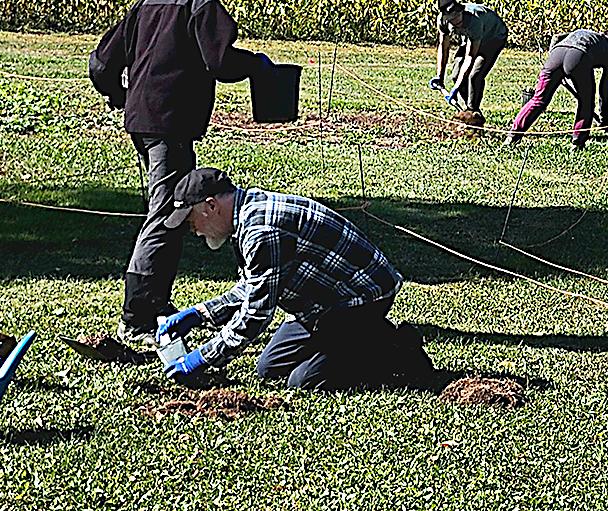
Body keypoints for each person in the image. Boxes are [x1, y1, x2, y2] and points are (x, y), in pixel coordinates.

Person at [88, 0, 273, 348]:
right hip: (169, 124)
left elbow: (101, 65)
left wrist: (122, 97)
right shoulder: (201, 5)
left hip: (141, 120)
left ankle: (155, 304)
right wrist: (258, 65)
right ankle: (138, 316)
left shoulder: (145, 4)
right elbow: (221, 62)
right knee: (164, 214)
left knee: (171, 211)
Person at [155, 167, 435, 391]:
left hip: (360, 298)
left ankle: (397, 350)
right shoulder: (246, 215)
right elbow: (254, 286)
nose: (192, 229)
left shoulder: (261, 232)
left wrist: (201, 358)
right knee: (269, 369)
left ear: (211, 206)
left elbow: (256, 314)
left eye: (190, 219)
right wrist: (199, 314)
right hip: (320, 305)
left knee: (305, 380)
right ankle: (363, 337)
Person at [508, 28, 608, 149]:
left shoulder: (586, 34)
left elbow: (556, 37)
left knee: (538, 99)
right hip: (578, 57)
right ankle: (577, 143)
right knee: (586, 103)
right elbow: (605, 88)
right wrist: (604, 118)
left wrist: (557, 69)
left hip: (555, 56)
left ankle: (512, 136)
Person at [430, 0, 508, 117]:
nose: (456, 20)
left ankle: (473, 112)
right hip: (471, 39)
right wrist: (440, 76)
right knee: (456, 75)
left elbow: (470, 57)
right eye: (452, 18)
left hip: (493, 37)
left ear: (462, 11)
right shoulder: (442, 20)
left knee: (475, 75)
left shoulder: (474, 20)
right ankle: (470, 110)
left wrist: (455, 88)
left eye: (458, 16)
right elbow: (443, 47)